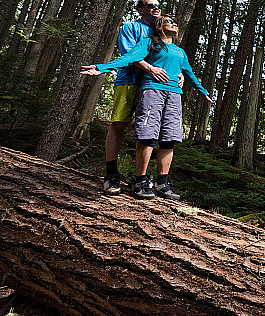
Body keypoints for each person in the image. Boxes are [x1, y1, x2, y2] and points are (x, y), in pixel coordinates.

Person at [83, 14, 210, 200]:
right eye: (169, 22)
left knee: (169, 138)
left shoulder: (180, 51)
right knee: (147, 134)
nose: (174, 24)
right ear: (159, 26)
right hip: (152, 91)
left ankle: (162, 182)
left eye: (176, 22)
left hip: (174, 95)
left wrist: (202, 90)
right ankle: (140, 180)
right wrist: (103, 67)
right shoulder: (150, 43)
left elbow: (188, 72)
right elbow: (131, 58)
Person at [101, 0, 183, 195]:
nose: (156, 8)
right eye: (150, 5)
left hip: (157, 87)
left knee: (152, 131)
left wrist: (178, 73)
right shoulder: (130, 27)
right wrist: (149, 68)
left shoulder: (159, 30)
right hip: (129, 80)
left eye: (158, 5)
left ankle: (147, 179)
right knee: (119, 124)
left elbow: (168, 54)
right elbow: (128, 54)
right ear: (140, 9)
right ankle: (111, 174)